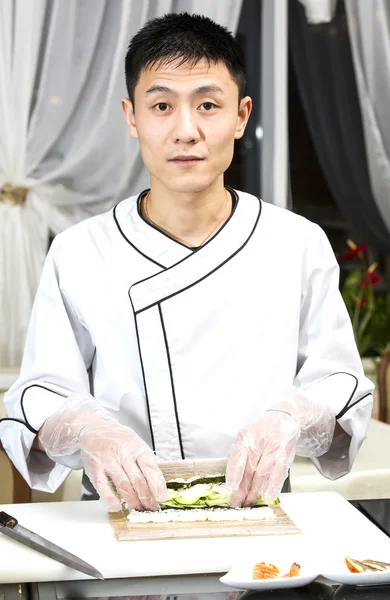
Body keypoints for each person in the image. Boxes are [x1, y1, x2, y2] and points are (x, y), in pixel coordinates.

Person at [1, 13, 373, 512]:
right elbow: (39, 396)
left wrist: (291, 416)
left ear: (241, 116)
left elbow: (340, 389)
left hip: (260, 518)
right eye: (161, 105)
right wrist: (88, 431)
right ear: (131, 117)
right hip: (118, 517)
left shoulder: (296, 243)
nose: (186, 131)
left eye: (208, 105)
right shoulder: (79, 251)